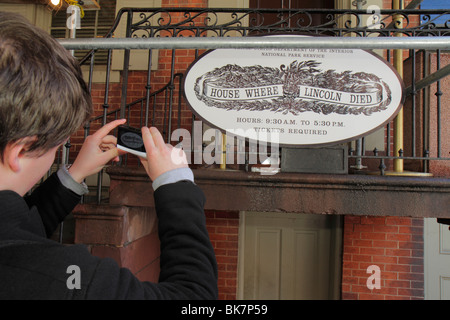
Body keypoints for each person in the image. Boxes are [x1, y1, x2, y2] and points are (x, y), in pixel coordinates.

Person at [0, 12, 217, 299]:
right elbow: (195, 299)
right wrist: (175, 184)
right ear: (21, 150)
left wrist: (74, 173)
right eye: (57, 144)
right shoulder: (72, 278)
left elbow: (17, 230)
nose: (61, 146)